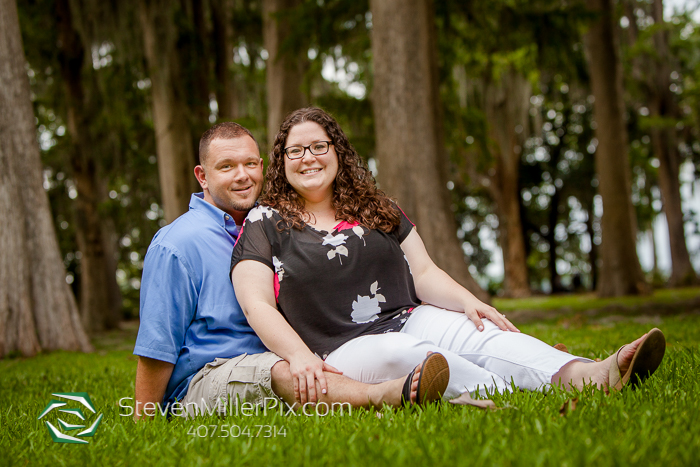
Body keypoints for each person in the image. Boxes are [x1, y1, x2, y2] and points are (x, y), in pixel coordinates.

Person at [230, 107, 666, 402]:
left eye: (319, 146)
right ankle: (512, 390)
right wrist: (300, 356)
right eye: (295, 150)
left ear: (337, 153)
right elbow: (256, 304)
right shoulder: (265, 222)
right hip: (336, 350)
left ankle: (592, 375)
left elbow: (423, 271)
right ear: (282, 160)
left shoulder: (376, 206)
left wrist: (469, 302)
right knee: (402, 353)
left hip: (406, 313)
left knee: (478, 334)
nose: (308, 158)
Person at [133, 122, 448, 420]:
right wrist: (144, 420)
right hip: (208, 377)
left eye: (249, 164)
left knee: (307, 361)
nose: (242, 176)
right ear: (202, 176)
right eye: (227, 167)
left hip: (283, 357)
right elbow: (156, 345)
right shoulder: (177, 243)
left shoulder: (270, 229)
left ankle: (427, 392)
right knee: (282, 370)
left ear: (262, 166)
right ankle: (385, 395)